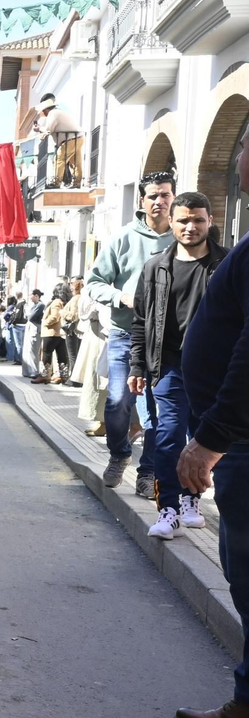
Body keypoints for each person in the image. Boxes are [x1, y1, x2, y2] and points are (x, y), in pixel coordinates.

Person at [173, 146, 249, 718]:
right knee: (244, 579)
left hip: (241, 438)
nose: (242, 152)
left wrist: (211, 438)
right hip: (238, 440)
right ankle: (247, 706)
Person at [130, 193, 230, 536]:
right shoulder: (155, 266)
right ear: (171, 223)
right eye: (184, 220)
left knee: (202, 436)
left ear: (210, 222)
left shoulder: (227, 263)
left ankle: (192, 497)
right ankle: (168, 509)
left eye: (198, 220)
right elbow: (141, 321)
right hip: (169, 367)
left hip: (213, 370)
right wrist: (137, 367)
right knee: (168, 435)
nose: (191, 226)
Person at [87, 171, 176, 497]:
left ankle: (148, 471)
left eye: (165, 194)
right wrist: (122, 296)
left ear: (173, 198)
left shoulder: (181, 237)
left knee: (157, 409)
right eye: (153, 195)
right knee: (117, 401)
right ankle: (120, 453)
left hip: (168, 339)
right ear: (142, 200)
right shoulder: (123, 238)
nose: (159, 201)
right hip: (125, 333)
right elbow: (95, 282)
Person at [74, 292, 111, 437]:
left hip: (104, 336)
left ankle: (106, 422)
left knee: (102, 380)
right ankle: (102, 421)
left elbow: (91, 310)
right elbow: (84, 310)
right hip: (97, 334)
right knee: (96, 380)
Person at [32, 95, 84, 189]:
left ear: (46, 109)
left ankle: (56, 183)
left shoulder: (53, 113)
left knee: (59, 159)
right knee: (76, 162)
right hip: (79, 137)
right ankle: (77, 183)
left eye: (43, 111)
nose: (43, 113)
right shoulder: (60, 111)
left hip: (70, 139)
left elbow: (48, 129)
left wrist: (39, 128)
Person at [36, 284, 70, 384]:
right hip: (60, 333)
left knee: (47, 353)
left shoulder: (56, 302)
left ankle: (44, 375)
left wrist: (45, 322)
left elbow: (55, 316)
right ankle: (62, 376)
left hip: (50, 332)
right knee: (61, 354)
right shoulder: (64, 302)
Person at [23, 288, 45, 380]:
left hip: (35, 329)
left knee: (33, 350)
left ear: (36, 296)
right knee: (28, 350)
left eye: (31, 295)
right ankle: (28, 371)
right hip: (30, 328)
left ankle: (34, 371)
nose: (30, 297)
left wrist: (28, 313)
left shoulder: (40, 305)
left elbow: (30, 317)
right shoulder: (33, 305)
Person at [63, 277, 85, 371]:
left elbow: (74, 315)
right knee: (76, 354)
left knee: (72, 354)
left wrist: (63, 313)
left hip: (72, 329)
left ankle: (73, 377)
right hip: (78, 329)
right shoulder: (81, 298)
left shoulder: (76, 298)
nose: (71, 288)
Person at [8, 291, 27, 365]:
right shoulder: (26, 304)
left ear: (16, 296)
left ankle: (19, 359)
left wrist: (12, 322)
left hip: (18, 325)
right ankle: (20, 358)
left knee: (18, 344)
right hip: (24, 324)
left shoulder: (19, 305)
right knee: (22, 343)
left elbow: (17, 315)